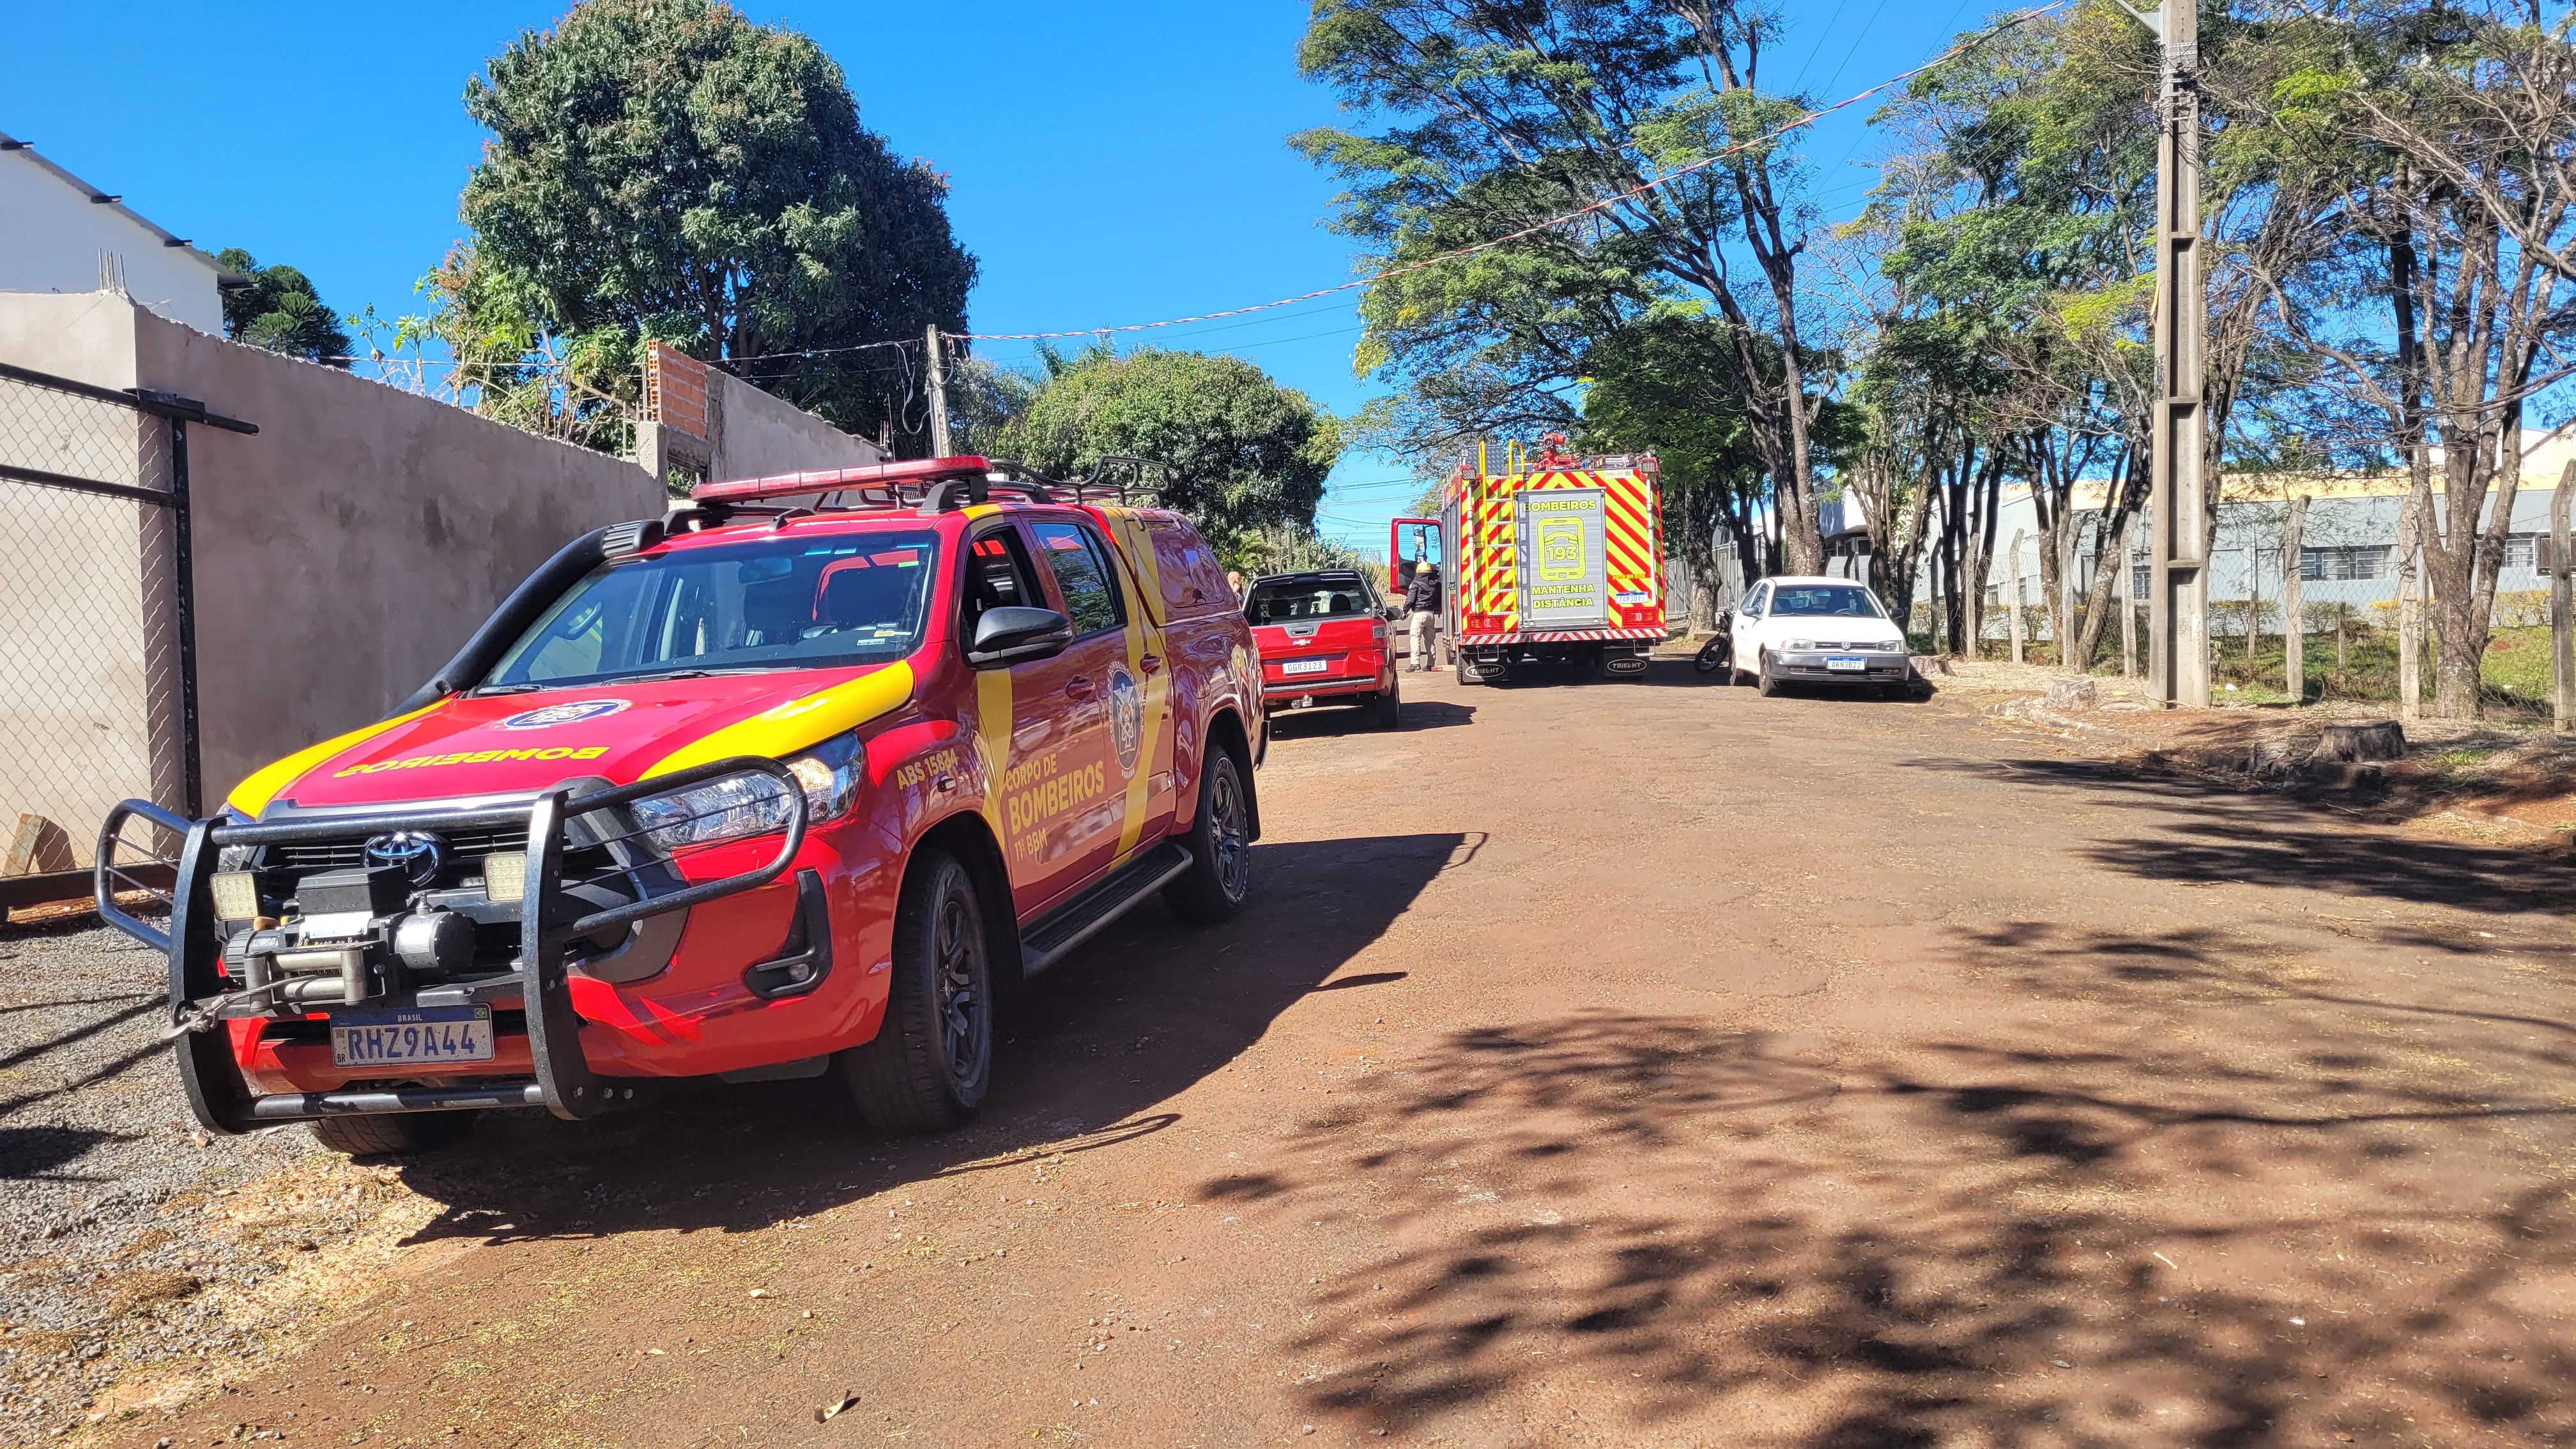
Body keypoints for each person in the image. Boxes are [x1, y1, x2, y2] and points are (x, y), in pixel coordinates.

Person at [1403, 560, 1441, 671]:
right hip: (1431, 615)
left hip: (1419, 614)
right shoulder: (1436, 584)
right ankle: (1431, 664)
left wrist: (1404, 611)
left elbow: (1410, 600)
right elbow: (1439, 599)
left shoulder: (1416, 583)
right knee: (1430, 641)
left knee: (1415, 638)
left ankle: (1415, 663)